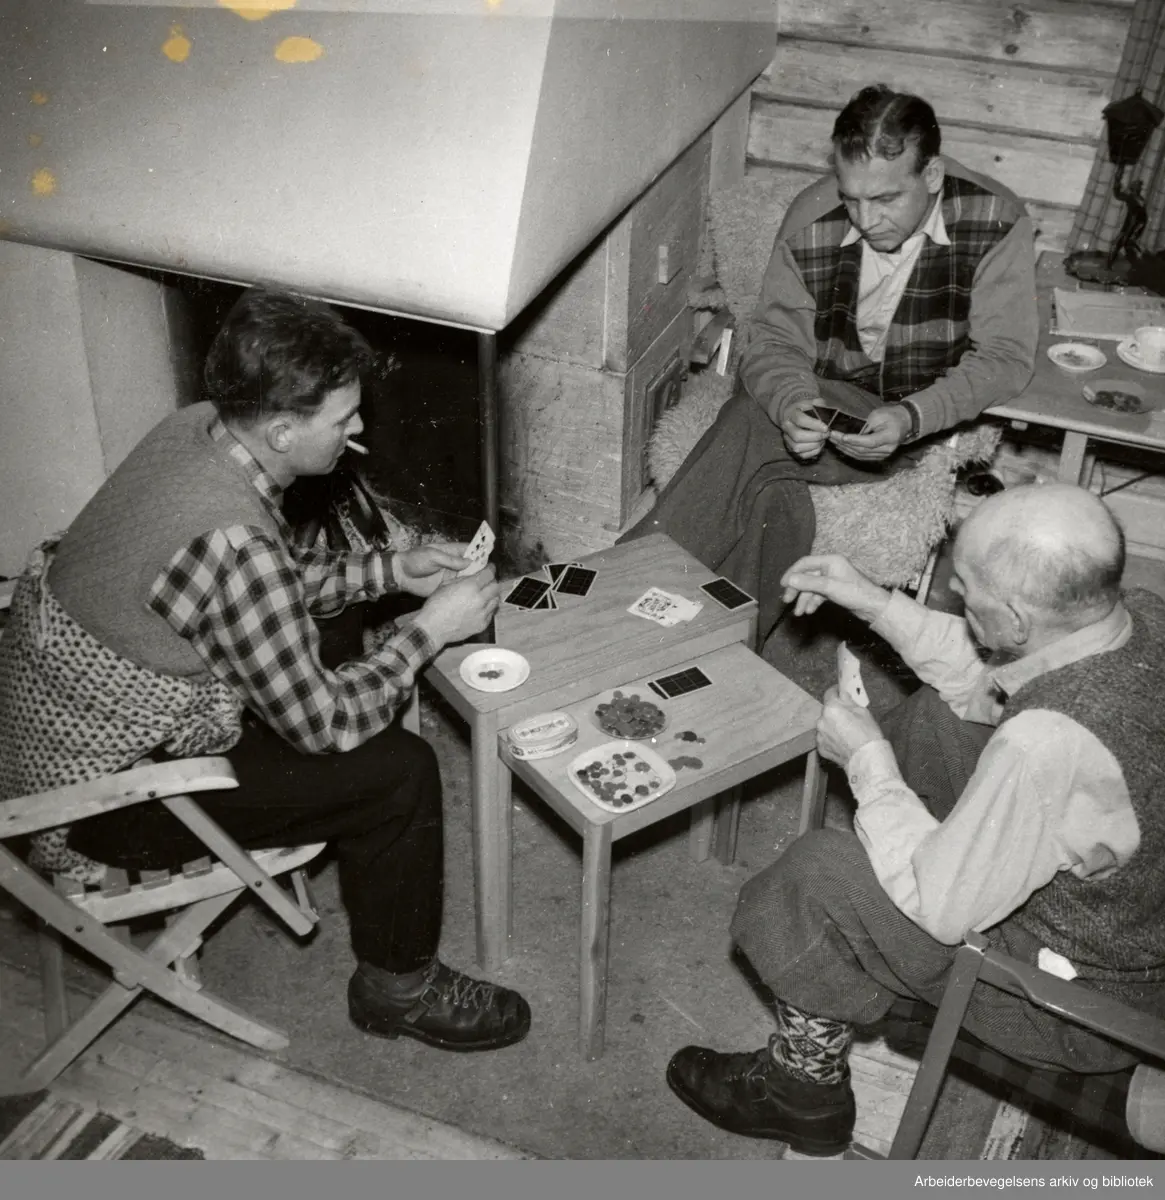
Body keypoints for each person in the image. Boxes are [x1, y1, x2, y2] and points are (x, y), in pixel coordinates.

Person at [0, 288, 532, 1054]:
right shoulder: (231, 544)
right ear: (282, 430)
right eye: (344, 418)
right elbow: (324, 724)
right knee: (399, 772)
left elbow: (261, 586)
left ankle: (372, 883)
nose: (359, 429)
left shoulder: (198, 429)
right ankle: (397, 990)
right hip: (100, 796)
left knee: (344, 631)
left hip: (44, 724)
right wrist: (426, 631)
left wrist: (390, 569)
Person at [665, 483, 1165, 1155]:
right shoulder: (1134, 616)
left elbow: (942, 908)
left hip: (1080, 1003)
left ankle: (800, 1088)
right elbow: (988, 685)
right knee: (936, 717)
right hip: (1128, 912)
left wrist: (866, 762)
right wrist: (873, 601)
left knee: (813, 877)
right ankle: (897, 873)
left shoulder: (1045, 745)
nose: (954, 597)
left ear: (1015, 619)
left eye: (964, 589)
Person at [621, 84, 1039, 648]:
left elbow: (1006, 358)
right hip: (825, 395)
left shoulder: (994, 220)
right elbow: (770, 339)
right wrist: (791, 402)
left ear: (933, 174)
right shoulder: (812, 217)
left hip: (920, 417)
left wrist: (914, 417)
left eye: (887, 199)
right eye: (852, 198)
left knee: (748, 424)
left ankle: (614, 604)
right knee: (773, 490)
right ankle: (714, 654)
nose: (866, 219)